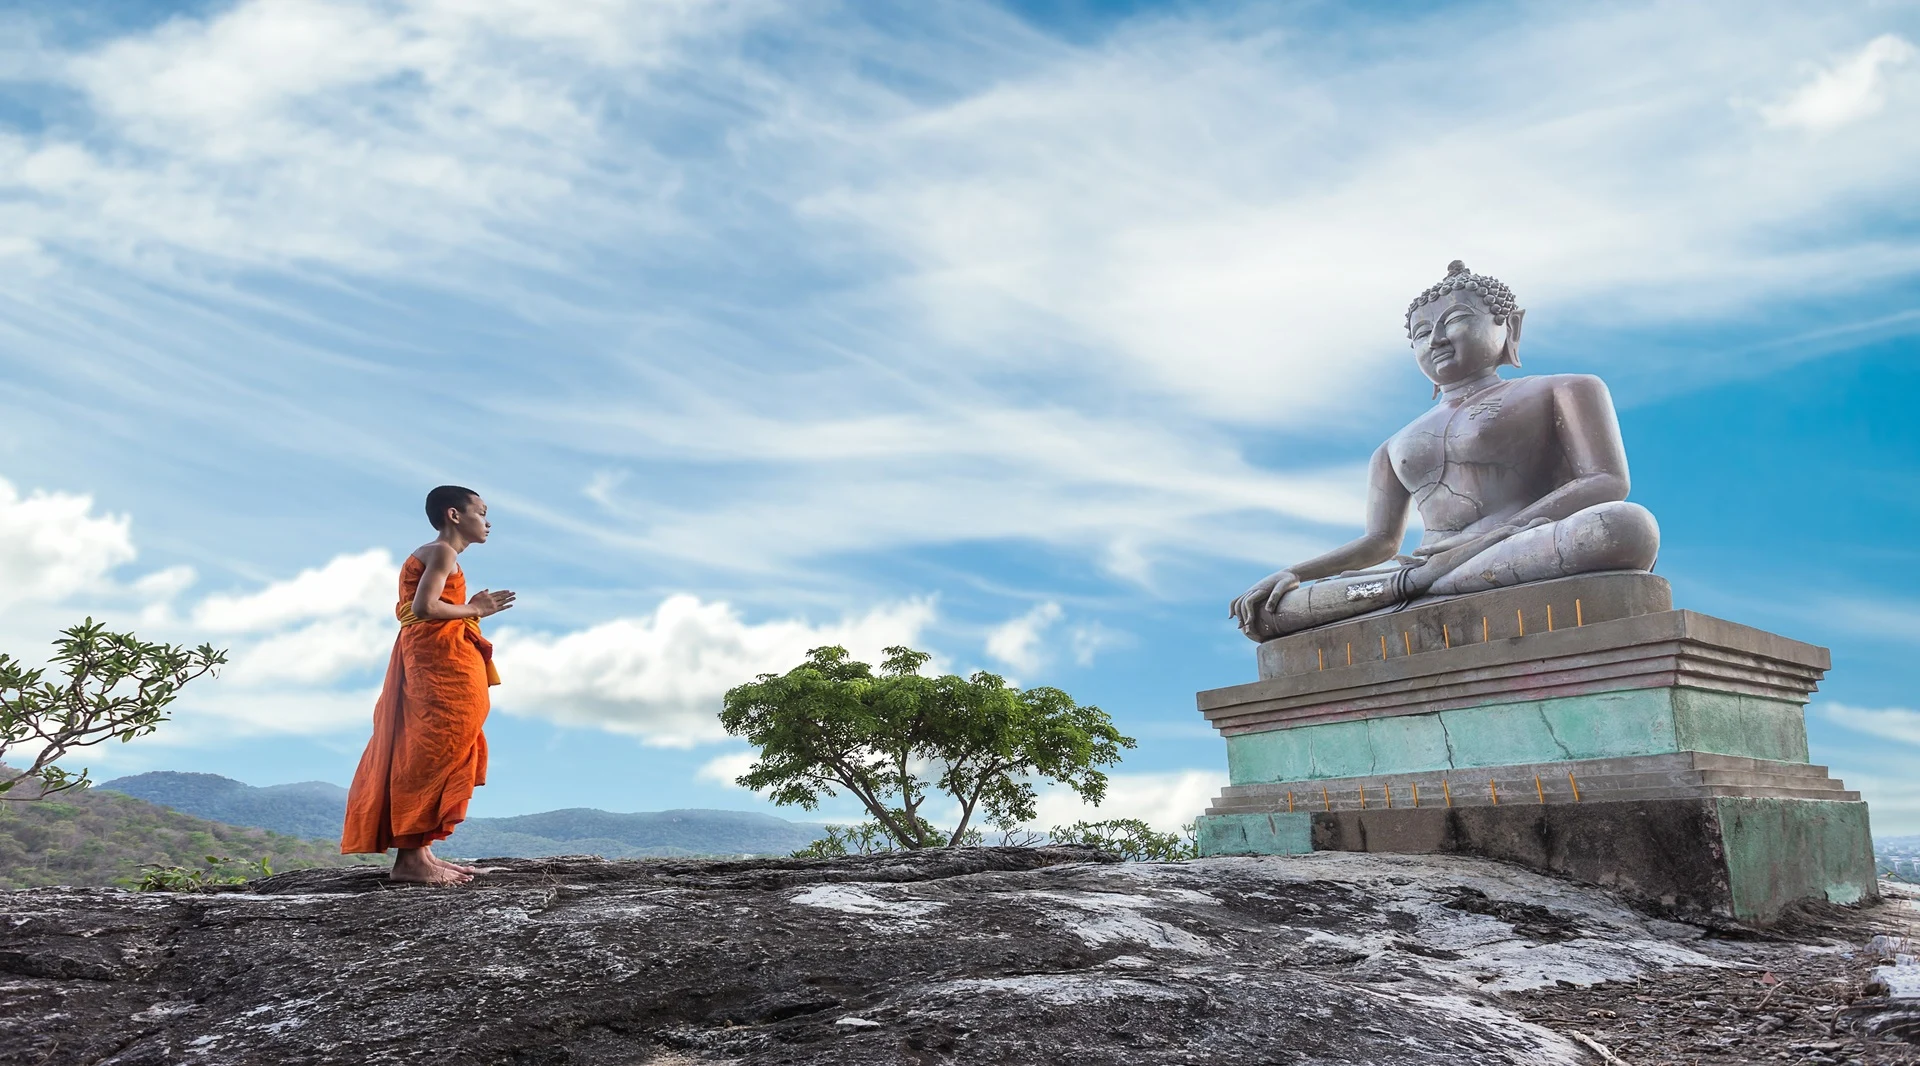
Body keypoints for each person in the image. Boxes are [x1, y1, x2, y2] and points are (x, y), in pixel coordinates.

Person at [1229, 261, 1659, 641]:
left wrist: (1494, 534)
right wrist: (1296, 574)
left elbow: (1606, 481)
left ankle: (1423, 586)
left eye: (1454, 320)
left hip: (1515, 546)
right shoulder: (1392, 446)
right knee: (1271, 612)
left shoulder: (1564, 389)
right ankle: (1423, 583)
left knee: (1623, 527)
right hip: (1413, 568)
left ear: (1510, 326)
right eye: (1420, 333)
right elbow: (1379, 541)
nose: (1434, 340)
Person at [342, 486, 516, 884]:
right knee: (430, 747)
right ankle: (410, 861)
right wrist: (477, 608)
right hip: (439, 666)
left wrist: (469, 609)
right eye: (481, 512)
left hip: (442, 659)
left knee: (436, 746)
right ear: (454, 515)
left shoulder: (441, 556)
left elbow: (427, 607)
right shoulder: (442, 552)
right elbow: (425, 608)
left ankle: (421, 851)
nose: (487, 522)